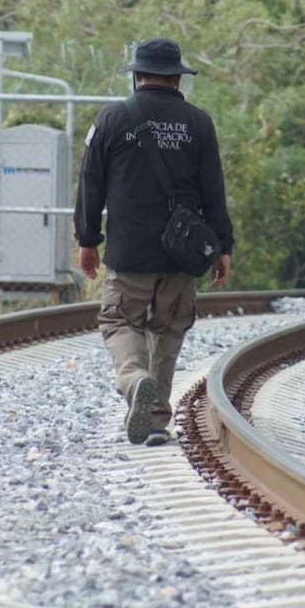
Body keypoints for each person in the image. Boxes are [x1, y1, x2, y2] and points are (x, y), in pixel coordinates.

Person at [74, 38, 234, 447]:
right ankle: (157, 420)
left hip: (129, 251)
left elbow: (90, 183)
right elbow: (213, 190)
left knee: (119, 320)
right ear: (177, 78)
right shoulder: (198, 123)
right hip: (182, 252)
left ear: (137, 75)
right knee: (168, 329)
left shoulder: (112, 118)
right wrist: (223, 246)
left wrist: (87, 239)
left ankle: (134, 379)